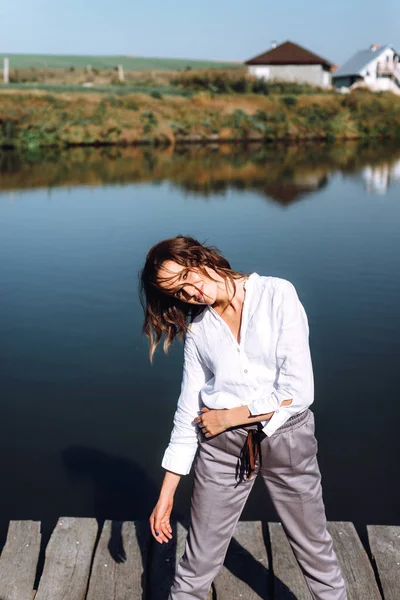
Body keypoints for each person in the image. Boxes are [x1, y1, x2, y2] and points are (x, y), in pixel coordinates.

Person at [140, 235, 347, 600]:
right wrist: (166, 493)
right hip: (223, 449)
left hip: (287, 438)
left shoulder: (277, 295)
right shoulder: (200, 331)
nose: (190, 292)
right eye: (178, 293)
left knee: (314, 548)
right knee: (197, 560)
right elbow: (188, 412)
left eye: (187, 276)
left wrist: (231, 416)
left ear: (201, 257)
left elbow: (299, 391)